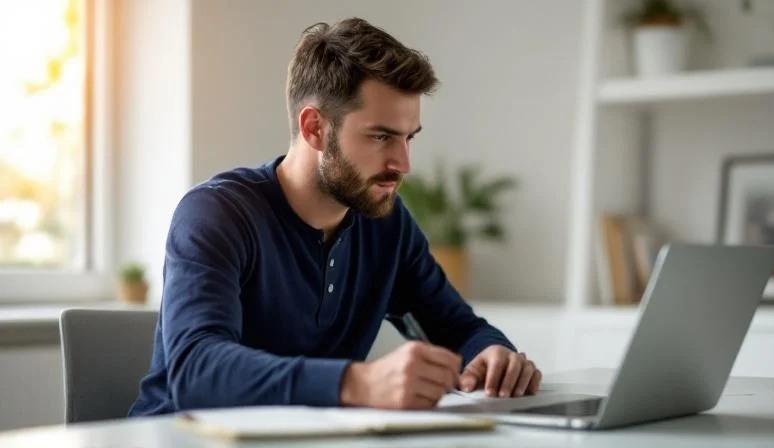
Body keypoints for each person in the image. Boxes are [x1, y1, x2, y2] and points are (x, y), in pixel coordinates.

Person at [128, 17, 541, 417]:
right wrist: (357, 383)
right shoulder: (217, 213)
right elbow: (196, 372)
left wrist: (491, 356)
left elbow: (458, 328)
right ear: (314, 128)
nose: (402, 164)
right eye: (381, 136)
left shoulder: (387, 224)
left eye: (408, 138)